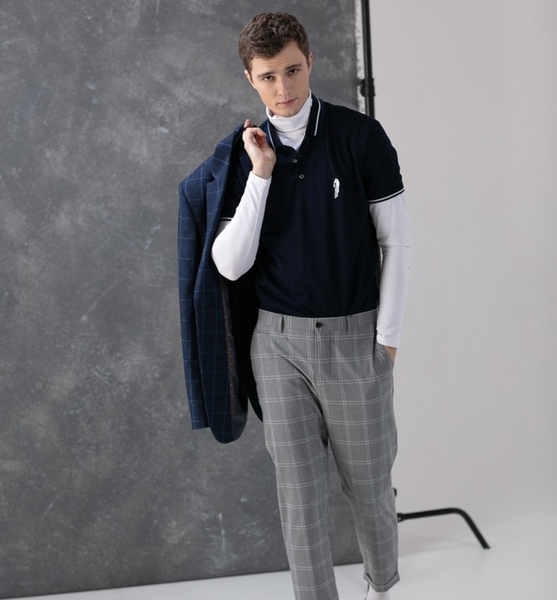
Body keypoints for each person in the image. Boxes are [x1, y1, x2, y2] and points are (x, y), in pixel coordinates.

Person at [186, 11, 411, 600]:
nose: (282, 88)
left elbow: (396, 242)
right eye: (268, 77)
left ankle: (383, 587)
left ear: (309, 62)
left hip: (356, 339)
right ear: (250, 79)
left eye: (292, 70)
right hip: (277, 346)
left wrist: (387, 341)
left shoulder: (361, 137)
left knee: (369, 485)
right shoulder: (241, 157)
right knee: (299, 495)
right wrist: (261, 175)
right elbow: (229, 265)